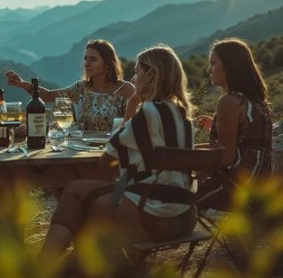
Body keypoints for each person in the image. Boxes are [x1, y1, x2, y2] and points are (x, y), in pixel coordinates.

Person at [41, 44, 197, 259]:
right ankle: (95, 264)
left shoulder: (148, 113)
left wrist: (133, 104)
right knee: (88, 202)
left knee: (74, 190)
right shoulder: (184, 117)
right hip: (184, 215)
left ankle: (45, 267)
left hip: (152, 213)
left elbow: (106, 167)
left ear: (151, 76)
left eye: (137, 73)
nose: (134, 79)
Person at [196, 38, 273, 210]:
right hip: (259, 183)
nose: (209, 70)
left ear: (230, 67)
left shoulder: (229, 102)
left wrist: (187, 158)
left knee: (171, 196)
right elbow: (246, 142)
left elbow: (226, 157)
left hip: (237, 187)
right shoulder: (254, 101)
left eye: (213, 63)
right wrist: (214, 128)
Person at [6, 39, 135, 132]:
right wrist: (23, 84)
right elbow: (48, 96)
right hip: (80, 148)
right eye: (85, 58)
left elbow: (135, 127)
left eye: (93, 59)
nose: (87, 63)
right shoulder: (81, 88)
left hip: (111, 151)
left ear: (107, 64)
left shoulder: (125, 90)